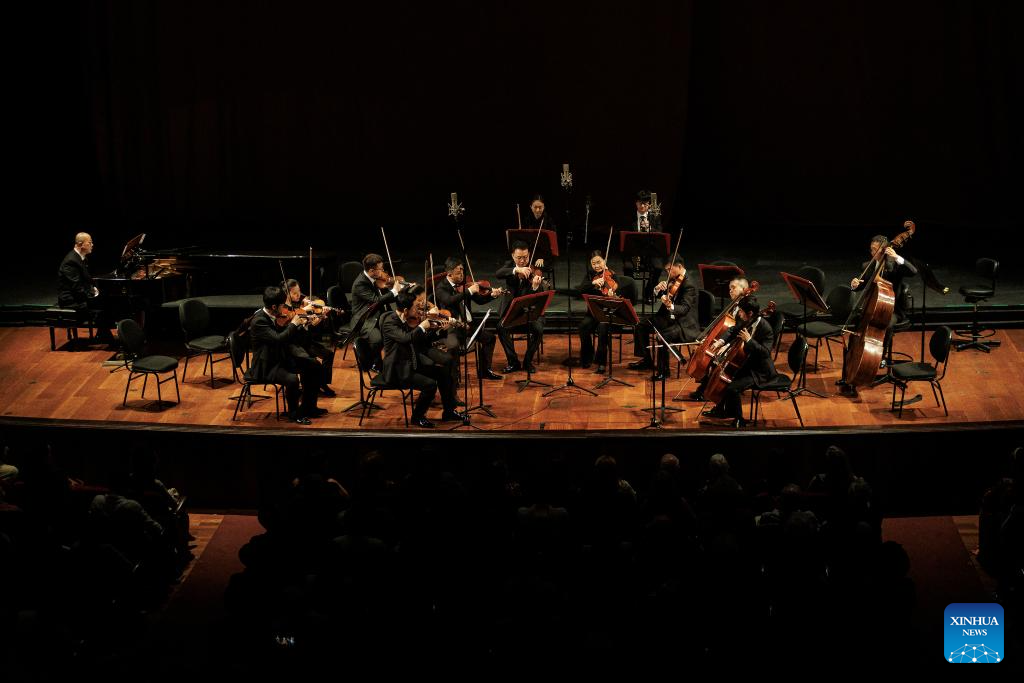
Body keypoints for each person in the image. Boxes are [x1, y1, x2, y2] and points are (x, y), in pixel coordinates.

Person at [839, 234, 919, 392]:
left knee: (886, 324)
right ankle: (847, 374)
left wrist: (897, 257)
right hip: (871, 307)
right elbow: (863, 286)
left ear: (884, 250)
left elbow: (913, 271)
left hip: (891, 309)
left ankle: (880, 357)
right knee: (852, 327)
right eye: (871, 250)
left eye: (876, 250)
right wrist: (855, 284)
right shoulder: (867, 266)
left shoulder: (894, 266)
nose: (873, 253)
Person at [381, 290, 464, 428]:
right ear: (406, 310)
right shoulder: (390, 322)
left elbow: (421, 340)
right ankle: (417, 417)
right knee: (430, 385)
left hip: (412, 364)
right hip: (398, 370)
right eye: (415, 307)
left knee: (443, 374)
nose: (418, 309)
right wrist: (422, 326)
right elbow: (407, 339)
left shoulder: (406, 320)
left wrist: (439, 330)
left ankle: (449, 411)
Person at [249, 286, 326, 425]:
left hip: (281, 356)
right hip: (267, 364)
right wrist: (293, 324)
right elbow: (278, 339)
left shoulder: (278, 316)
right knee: (292, 380)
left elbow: (289, 338)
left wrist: (304, 324)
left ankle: (309, 407)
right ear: (273, 306)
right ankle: (294, 413)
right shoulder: (259, 321)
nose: (284, 307)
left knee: (314, 365)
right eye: (282, 305)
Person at [701, 296, 776, 427]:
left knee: (732, 388)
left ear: (750, 313)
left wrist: (749, 341)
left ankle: (739, 420)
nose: (739, 313)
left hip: (759, 371)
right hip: (745, 364)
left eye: (741, 311)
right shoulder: (747, 320)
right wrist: (721, 341)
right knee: (725, 379)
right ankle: (722, 411)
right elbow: (733, 330)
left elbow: (765, 353)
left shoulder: (766, 329)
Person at [432, 256, 503, 381]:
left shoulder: (464, 284)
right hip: (452, 327)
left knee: (490, 338)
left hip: (468, 325)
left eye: (463, 271)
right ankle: (453, 376)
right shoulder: (441, 288)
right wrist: (468, 292)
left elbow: (479, 300)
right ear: (449, 273)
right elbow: (449, 301)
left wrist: (492, 295)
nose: (462, 275)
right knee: (453, 346)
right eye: (459, 272)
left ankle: (484, 371)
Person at [629, 258, 699, 379]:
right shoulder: (674, 279)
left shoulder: (689, 284)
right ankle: (647, 360)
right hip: (668, 317)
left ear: (680, 267)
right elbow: (666, 295)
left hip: (683, 324)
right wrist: (657, 289)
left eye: (670, 269)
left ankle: (664, 371)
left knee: (662, 336)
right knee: (640, 325)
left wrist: (670, 305)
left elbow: (684, 309)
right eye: (666, 270)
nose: (668, 273)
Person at [495, 240, 552, 373]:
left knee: (538, 329)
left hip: (530, 313)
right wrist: (516, 269)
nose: (522, 261)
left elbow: (537, 299)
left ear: (529, 254)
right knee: (500, 327)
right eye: (519, 258)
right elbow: (498, 273)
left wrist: (534, 287)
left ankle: (527, 361)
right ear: (513, 256)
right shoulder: (509, 266)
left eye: (525, 257)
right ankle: (513, 362)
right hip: (512, 312)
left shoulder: (534, 270)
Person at [690, 276, 750, 400]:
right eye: (729, 289)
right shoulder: (733, 305)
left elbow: (739, 332)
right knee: (708, 353)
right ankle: (704, 387)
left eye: (733, 288)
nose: (730, 291)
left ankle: (708, 391)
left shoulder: (746, 308)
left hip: (737, 345)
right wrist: (708, 337)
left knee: (713, 359)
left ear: (744, 289)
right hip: (727, 341)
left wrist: (726, 345)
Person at [577, 250, 631, 372]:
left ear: (604, 261)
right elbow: (580, 290)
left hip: (608, 314)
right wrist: (593, 283)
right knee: (583, 327)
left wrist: (612, 296)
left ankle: (601, 362)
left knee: (602, 328)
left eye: (598, 262)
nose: (596, 266)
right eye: (593, 264)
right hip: (593, 313)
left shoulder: (612, 275)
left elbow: (620, 295)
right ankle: (588, 356)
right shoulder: (590, 276)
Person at [283, 278, 338, 397]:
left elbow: (310, 324)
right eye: (295, 293)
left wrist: (321, 315)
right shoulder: (285, 309)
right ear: (287, 294)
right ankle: (314, 385)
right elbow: (296, 323)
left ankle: (322, 383)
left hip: (305, 341)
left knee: (328, 354)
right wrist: (305, 310)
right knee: (311, 362)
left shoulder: (300, 305)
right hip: (296, 344)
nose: (299, 295)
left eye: (299, 291)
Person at [350, 253, 404, 372]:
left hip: (377, 315)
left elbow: (385, 296)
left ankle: (394, 362)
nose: (383, 272)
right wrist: (394, 290)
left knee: (399, 330)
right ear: (371, 270)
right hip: (364, 319)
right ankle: (373, 363)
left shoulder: (375, 279)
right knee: (377, 339)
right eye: (380, 269)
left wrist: (401, 289)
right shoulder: (360, 284)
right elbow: (376, 301)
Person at [57, 232, 114, 341]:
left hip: (78, 293)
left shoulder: (81, 258)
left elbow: (86, 280)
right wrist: (93, 295)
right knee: (104, 303)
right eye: (90, 242)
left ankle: (103, 332)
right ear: (80, 244)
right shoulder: (71, 261)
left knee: (107, 299)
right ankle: (104, 333)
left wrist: (95, 288)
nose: (92, 245)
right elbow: (76, 287)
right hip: (70, 299)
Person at [624, 191, 664, 303]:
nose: (642, 206)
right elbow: (624, 237)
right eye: (640, 203)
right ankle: (631, 296)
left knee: (658, 267)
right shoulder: (629, 217)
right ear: (636, 203)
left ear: (649, 205)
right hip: (634, 253)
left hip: (650, 252)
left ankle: (648, 293)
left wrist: (650, 229)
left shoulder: (654, 217)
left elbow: (660, 234)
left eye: (645, 204)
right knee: (628, 268)